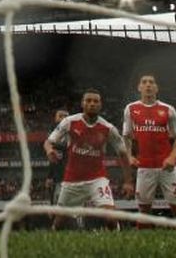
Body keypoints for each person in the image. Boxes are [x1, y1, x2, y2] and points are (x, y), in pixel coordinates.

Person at [44, 89, 134, 230]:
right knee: (59, 223)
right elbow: (49, 141)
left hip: (97, 179)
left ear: (100, 105)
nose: (92, 104)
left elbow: (123, 154)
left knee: (110, 218)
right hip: (72, 180)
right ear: (82, 103)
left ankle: (117, 240)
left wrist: (128, 182)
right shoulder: (69, 122)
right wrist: (49, 150)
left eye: (95, 101)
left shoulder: (108, 128)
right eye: (88, 101)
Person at [122, 74, 176, 226]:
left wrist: (172, 157)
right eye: (144, 82)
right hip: (144, 167)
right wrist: (129, 156)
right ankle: (141, 245)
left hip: (167, 168)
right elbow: (126, 136)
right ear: (139, 87)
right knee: (144, 211)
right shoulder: (131, 109)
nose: (148, 85)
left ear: (156, 88)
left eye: (151, 82)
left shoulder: (168, 109)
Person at [44, 109, 69, 206]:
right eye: (61, 116)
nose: (63, 118)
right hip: (60, 178)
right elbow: (54, 159)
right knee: (58, 204)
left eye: (65, 116)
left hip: (74, 177)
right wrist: (50, 176)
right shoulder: (53, 137)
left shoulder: (74, 132)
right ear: (55, 118)